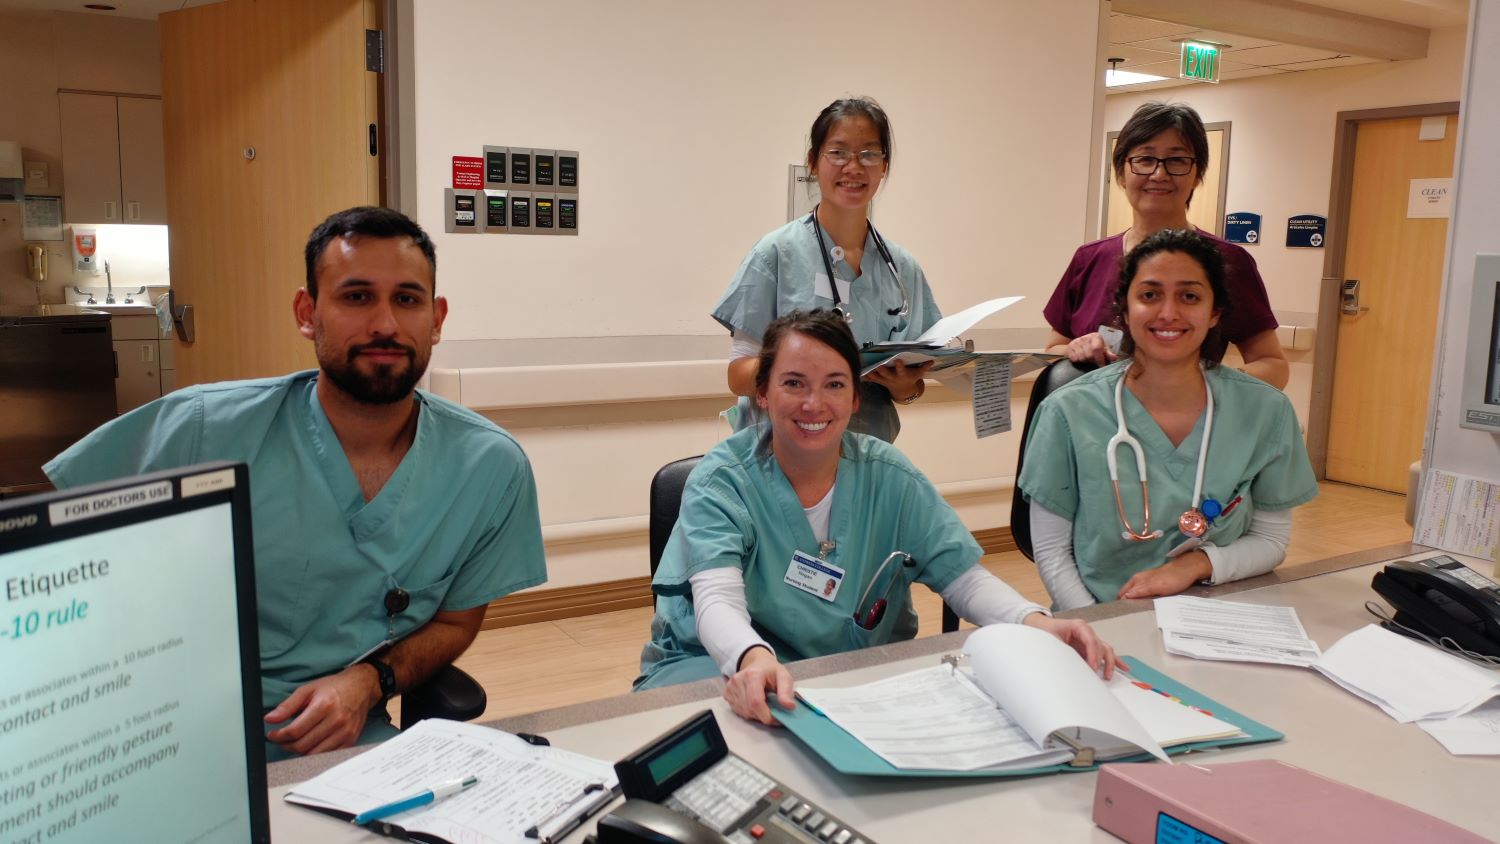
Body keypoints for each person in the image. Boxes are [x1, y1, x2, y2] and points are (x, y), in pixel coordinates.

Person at [45, 207, 546, 759]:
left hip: (342, 742)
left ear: (437, 318)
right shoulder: (201, 429)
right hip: (164, 736)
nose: (385, 324)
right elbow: (48, 556)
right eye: (356, 297)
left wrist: (369, 682)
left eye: (407, 299)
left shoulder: (488, 467)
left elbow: (454, 623)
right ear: (308, 314)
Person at [636, 310, 1122, 724]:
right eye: (793, 384)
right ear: (761, 394)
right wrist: (751, 657)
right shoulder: (724, 480)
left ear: (854, 398)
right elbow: (716, 598)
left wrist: (1036, 622)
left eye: (834, 385)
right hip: (717, 665)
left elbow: (964, 580)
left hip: (848, 677)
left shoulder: (888, 477)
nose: (813, 403)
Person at [1020, 229, 1318, 611]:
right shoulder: (1068, 411)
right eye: (1149, 295)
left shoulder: (1265, 411)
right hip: (1099, 616)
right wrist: (1101, 627)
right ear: (1124, 311)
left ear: (1215, 313)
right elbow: (1052, 553)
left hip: (1221, 612)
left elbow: (1271, 542)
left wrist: (1197, 564)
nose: (1168, 313)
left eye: (1189, 296)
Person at [712, 97, 942, 443]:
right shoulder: (776, 253)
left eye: (869, 154)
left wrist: (905, 386)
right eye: (838, 153)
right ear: (813, 163)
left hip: (865, 455)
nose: (854, 167)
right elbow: (739, 374)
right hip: (778, 455)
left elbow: (911, 387)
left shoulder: (903, 268)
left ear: (884, 166)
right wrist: (809, 369)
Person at [1044, 102, 1289, 389]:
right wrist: (1078, 348)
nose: (1159, 174)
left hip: (1189, 428)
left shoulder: (1224, 260)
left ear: (1197, 175)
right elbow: (1052, 351)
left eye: (1176, 161)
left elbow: (1273, 365)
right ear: (1121, 174)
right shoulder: (1089, 258)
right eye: (1145, 159)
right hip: (1095, 426)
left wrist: (1204, 385)